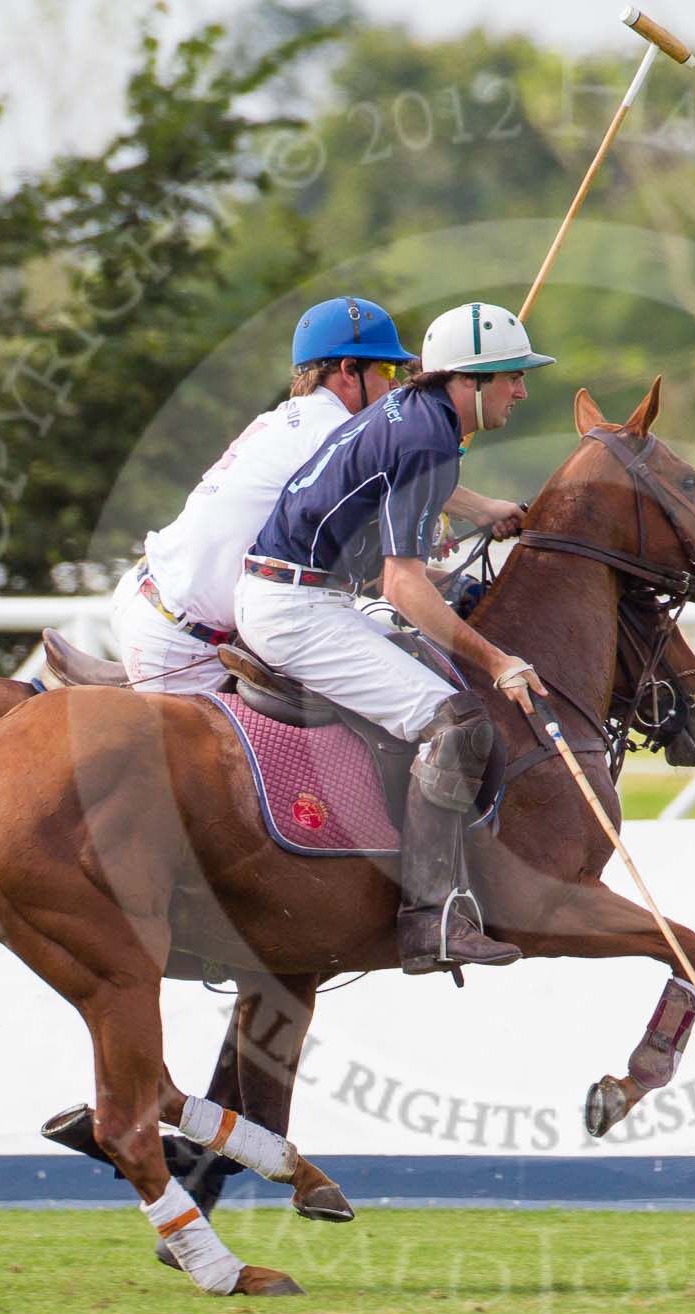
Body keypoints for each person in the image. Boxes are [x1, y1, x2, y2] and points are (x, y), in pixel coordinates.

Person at [235, 301, 547, 974]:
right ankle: (429, 919)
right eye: (512, 376)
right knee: (457, 721)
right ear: (470, 380)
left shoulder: (414, 412)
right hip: (295, 606)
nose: (522, 390)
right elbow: (402, 586)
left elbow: (403, 533)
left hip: (302, 591)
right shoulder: (429, 437)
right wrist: (499, 661)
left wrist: (477, 515)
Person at [109, 297, 417, 693]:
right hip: (181, 642)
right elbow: (412, 479)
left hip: (153, 600)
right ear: (347, 370)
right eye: (388, 369)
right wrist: (486, 510)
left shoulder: (288, 417)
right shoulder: (333, 429)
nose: (394, 385)